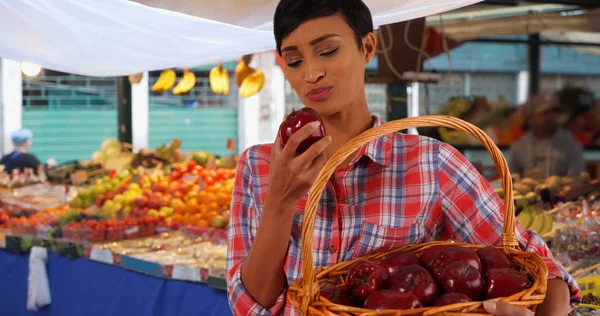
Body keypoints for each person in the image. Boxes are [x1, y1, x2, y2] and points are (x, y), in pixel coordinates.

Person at [226, 1, 581, 315]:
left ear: (367, 47)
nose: (310, 73)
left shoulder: (433, 164)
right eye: (294, 61)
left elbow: (544, 271)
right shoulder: (258, 167)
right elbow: (250, 306)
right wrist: (280, 201)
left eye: (328, 51)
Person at [509, 92, 585, 179]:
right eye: (545, 113)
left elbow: (577, 178)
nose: (551, 116)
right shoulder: (519, 146)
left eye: (554, 112)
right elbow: (511, 179)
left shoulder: (572, 145)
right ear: (531, 117)